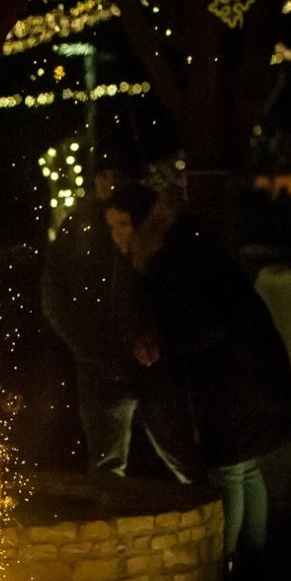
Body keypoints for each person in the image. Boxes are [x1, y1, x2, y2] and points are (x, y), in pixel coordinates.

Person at [103, 182, 291, 581]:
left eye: (123, 224)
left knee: (229, 470)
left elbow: (208, 320)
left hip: (234, 373)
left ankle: (224, 571)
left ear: (144, 222)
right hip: (241, 370)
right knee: (243, 467)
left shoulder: (173, 257)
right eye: (112, 226)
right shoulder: (171, 248)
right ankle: (252, 565)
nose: (117, 234)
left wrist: (161, 344)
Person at [41, 147, 198, 482]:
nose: (110, 182)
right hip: (102, 365)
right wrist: (93, 349)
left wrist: (156, 339)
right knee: (108, 467)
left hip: (155, 364)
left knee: (186, 461)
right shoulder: (78, 229)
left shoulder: (153, 224)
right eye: (103, 174)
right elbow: (55, 297)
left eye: (117, 174)